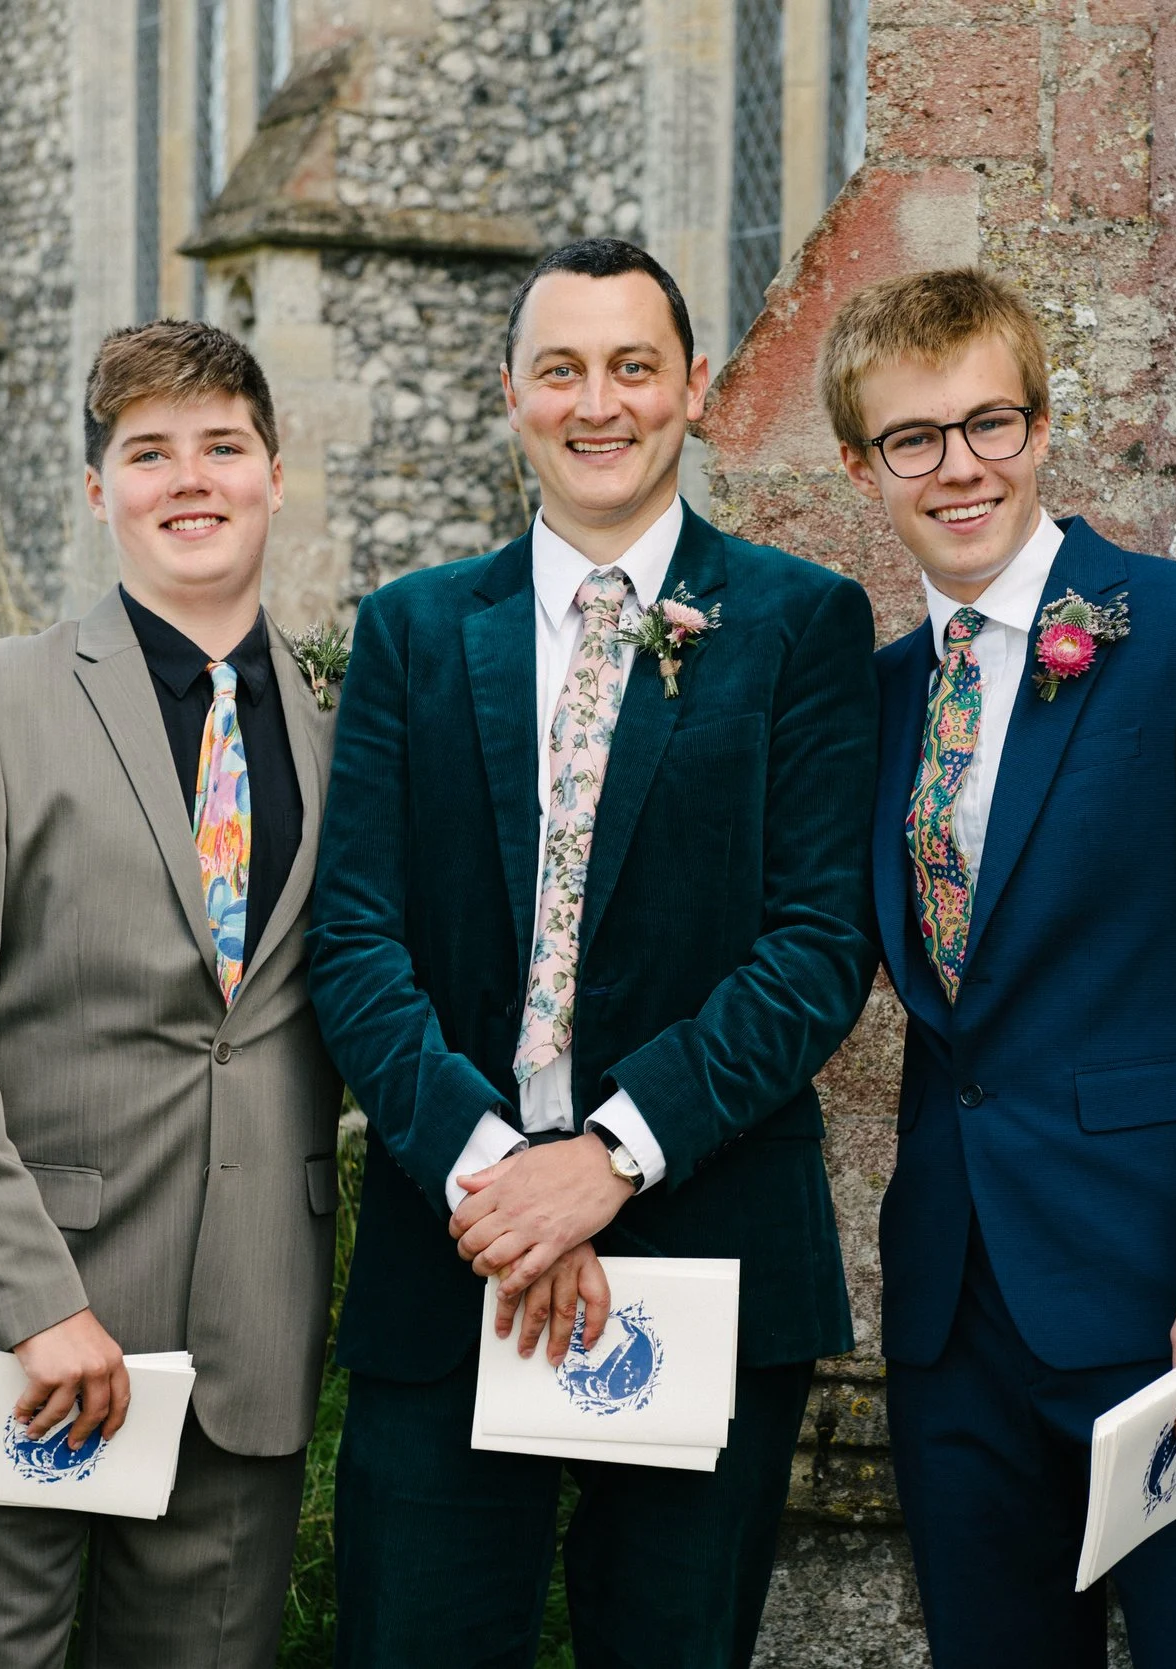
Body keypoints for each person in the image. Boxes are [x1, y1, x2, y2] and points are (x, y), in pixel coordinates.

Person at [303, 237, 878, 1668]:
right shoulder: (414, 631)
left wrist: (609, 1158)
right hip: (457, 1255)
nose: (598, 402)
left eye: (633, 366)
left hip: (706, 1248)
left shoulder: (801, 623)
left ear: (695, 385)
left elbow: (818, 947)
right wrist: (501, 1181)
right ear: (511, 392)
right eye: (561, 369)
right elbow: (355, 943)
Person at [820, 267, 1176, 1665]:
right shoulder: (880, 697)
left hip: (1172, 1307)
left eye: (989, 423)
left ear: (1043, 426)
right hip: (953, 1325)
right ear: (863, 467)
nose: (960, 466)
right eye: (914, 438)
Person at [0, 319, 342, 1667]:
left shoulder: (343, 727)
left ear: (275, 474)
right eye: (148, 452)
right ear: (96, 488)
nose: (190, 480)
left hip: (248, 1346)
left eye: (222, 447)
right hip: (18, 1341)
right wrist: (32, 1303)